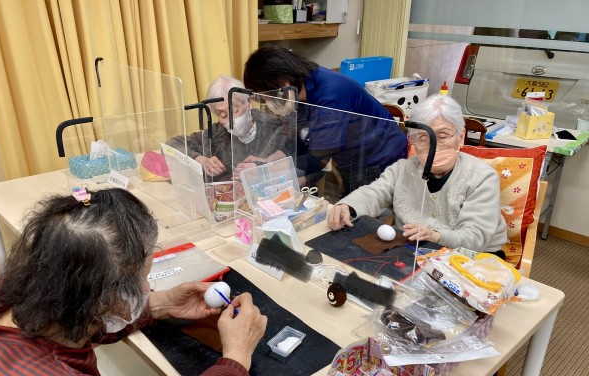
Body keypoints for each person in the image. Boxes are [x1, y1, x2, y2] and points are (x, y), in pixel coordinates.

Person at [0, 187, 267, 376]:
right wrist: (237, 355)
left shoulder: (14, 295)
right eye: (144, 278)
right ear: (101, 297)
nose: (147, 288)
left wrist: (160, 304)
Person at [327, 94, 507, 256]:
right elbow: (374, 193)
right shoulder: (402, 169)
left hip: (472, 257)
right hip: (414, 251)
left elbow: (476, 237)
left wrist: (436, 236)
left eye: (443, 136)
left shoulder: (482, 177)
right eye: (423, 138)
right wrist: (347, 206)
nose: (434, 146)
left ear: (460, 137)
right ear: (412, 141)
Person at [243, 46, 408, 193]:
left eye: (267, 97)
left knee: (355, 210)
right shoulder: (300, 90)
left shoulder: (330, 98)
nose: (268, 103)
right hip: (350, 155)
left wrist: (269, 172)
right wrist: (268, 161)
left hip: (378, 158)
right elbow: (301, 139)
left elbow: (319, 157)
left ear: (283, 84)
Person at [166, 75, 292, 180]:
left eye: (234, 110)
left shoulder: (275, 127)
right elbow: (171, 145)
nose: (230, 121)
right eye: (222, 115)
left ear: (248, 103)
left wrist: (262, 169)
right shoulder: (216, 134)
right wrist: (200, 160)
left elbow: (293, 167)